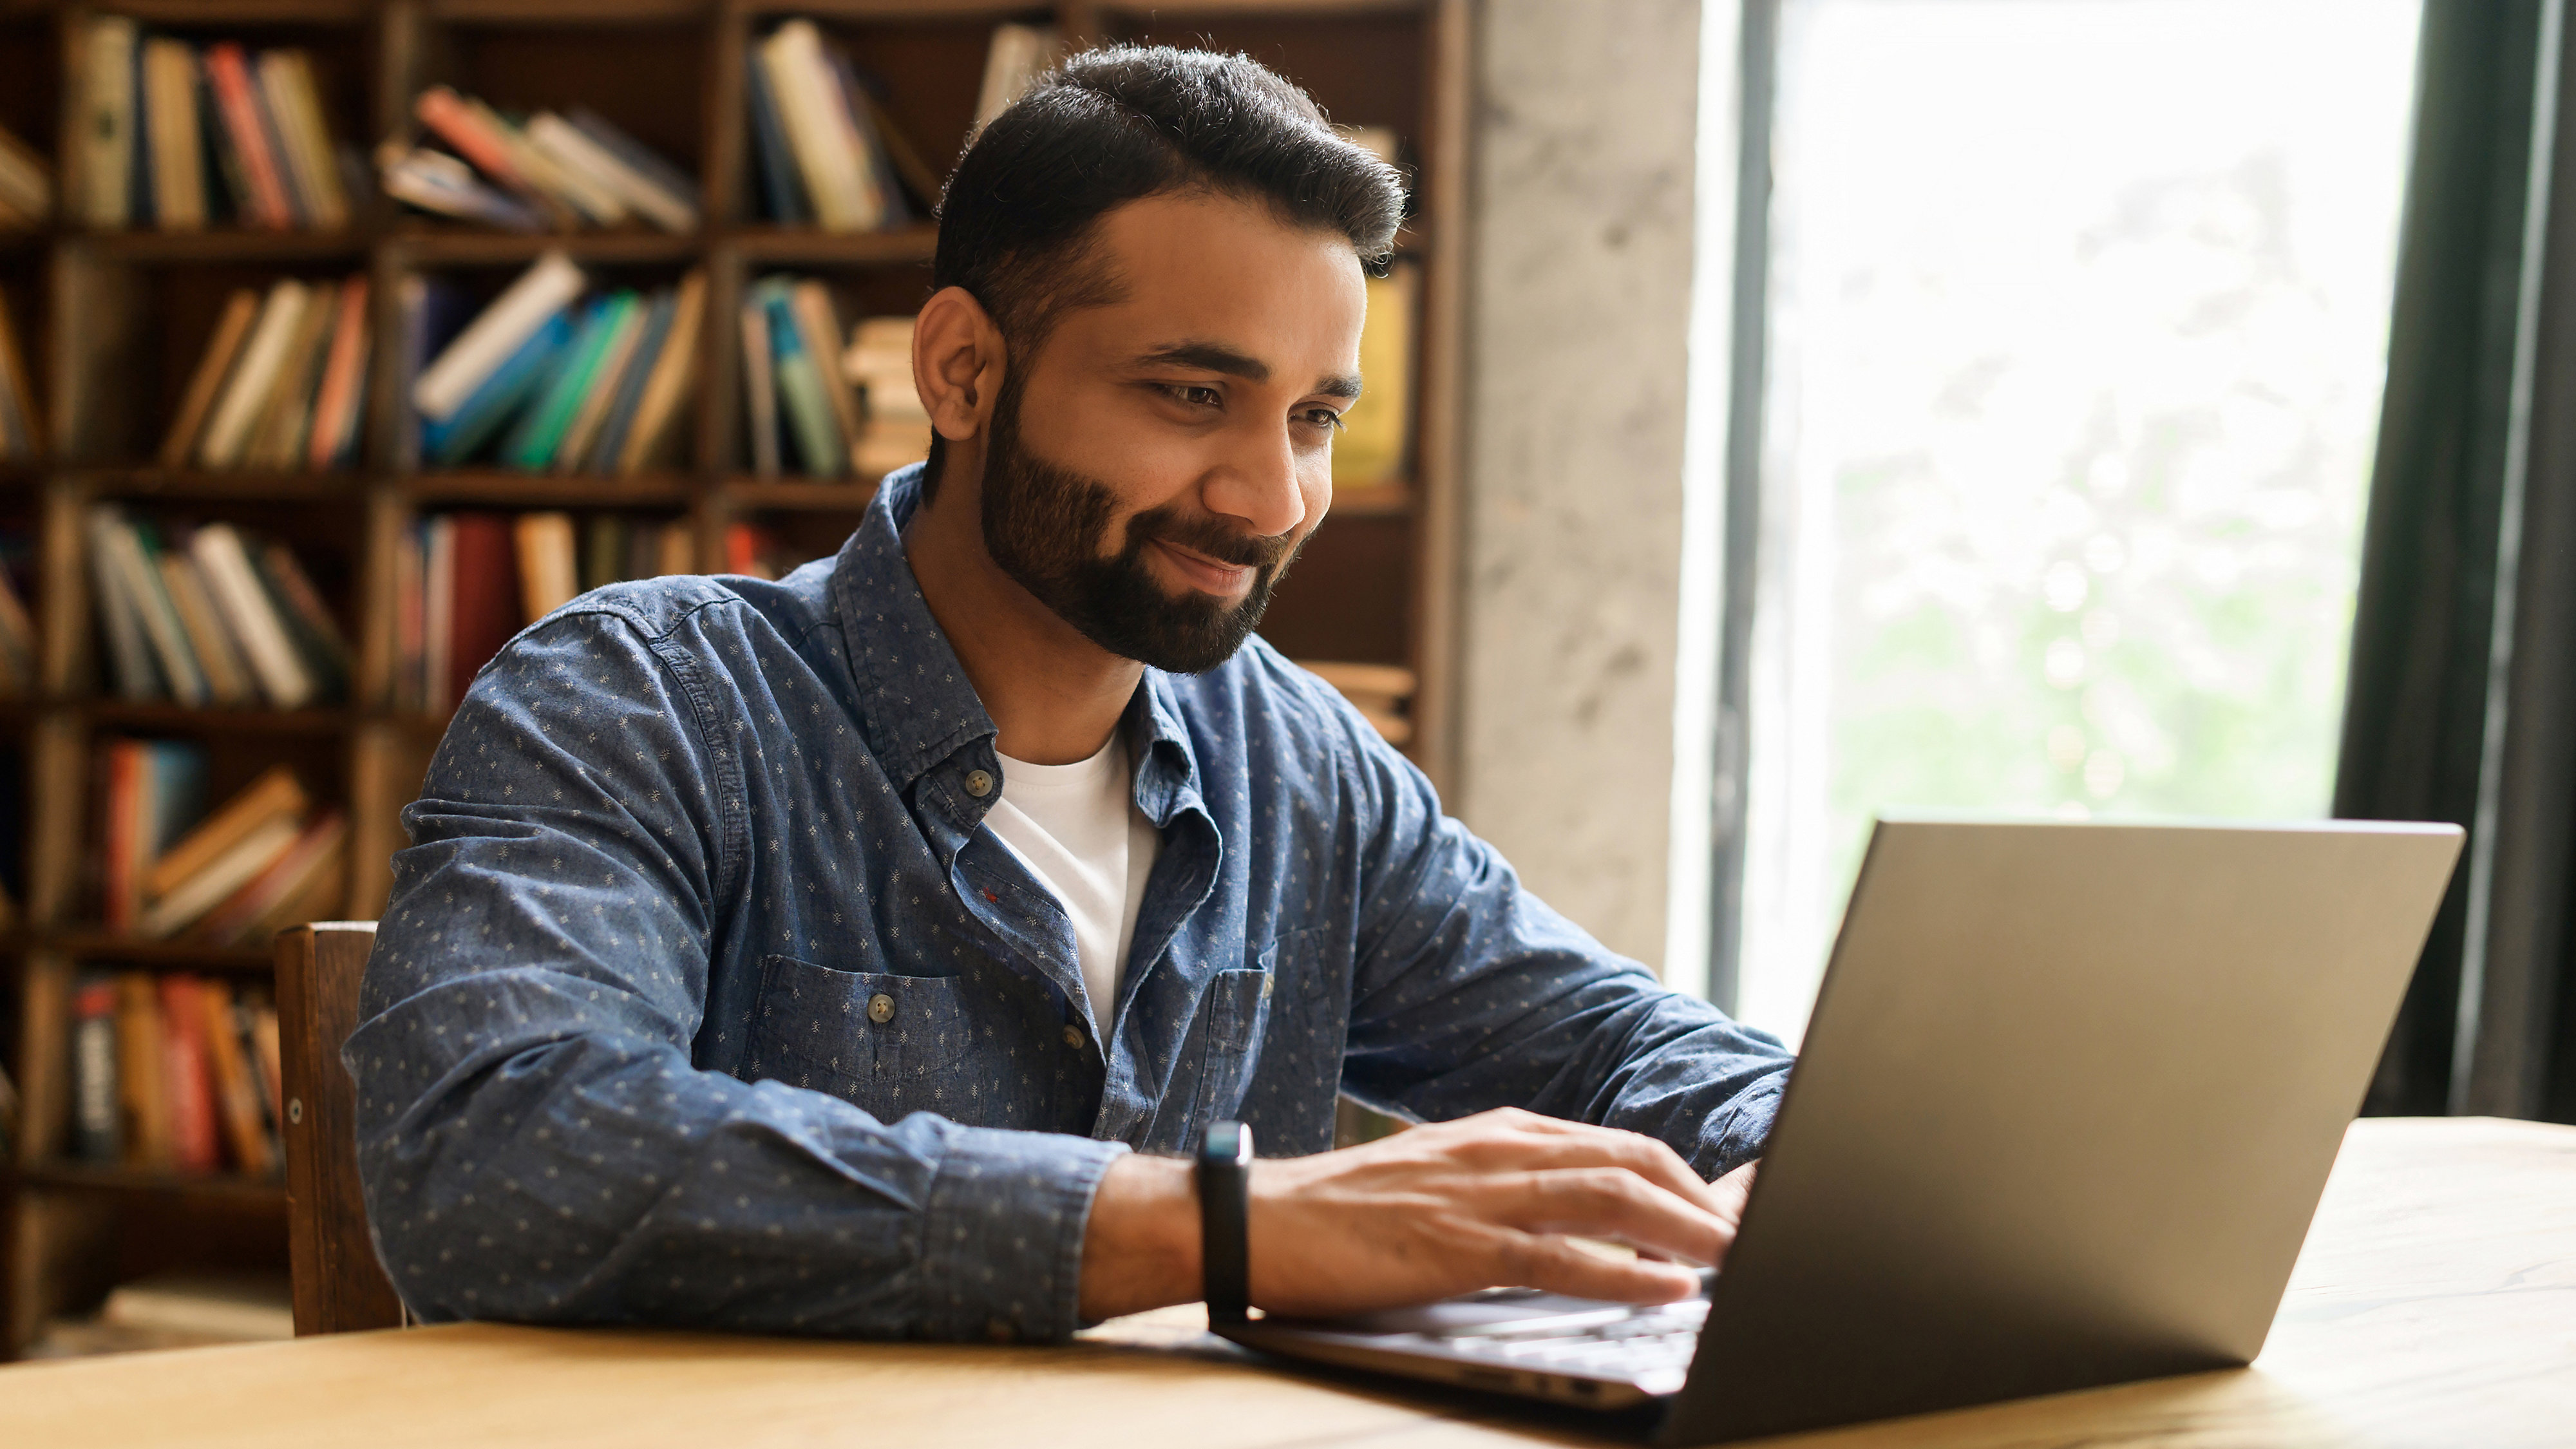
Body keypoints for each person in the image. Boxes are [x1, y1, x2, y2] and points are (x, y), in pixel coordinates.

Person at [349, 45, 1793, 1343]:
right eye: (1188, 396)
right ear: (963, 369)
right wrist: (1224, 1229)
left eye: (1312, 417)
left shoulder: (1292, 760)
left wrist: (1792, 1167)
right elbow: (491, 1157)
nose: (1270, 495)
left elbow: (1621, 1047)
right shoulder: (642, 699)